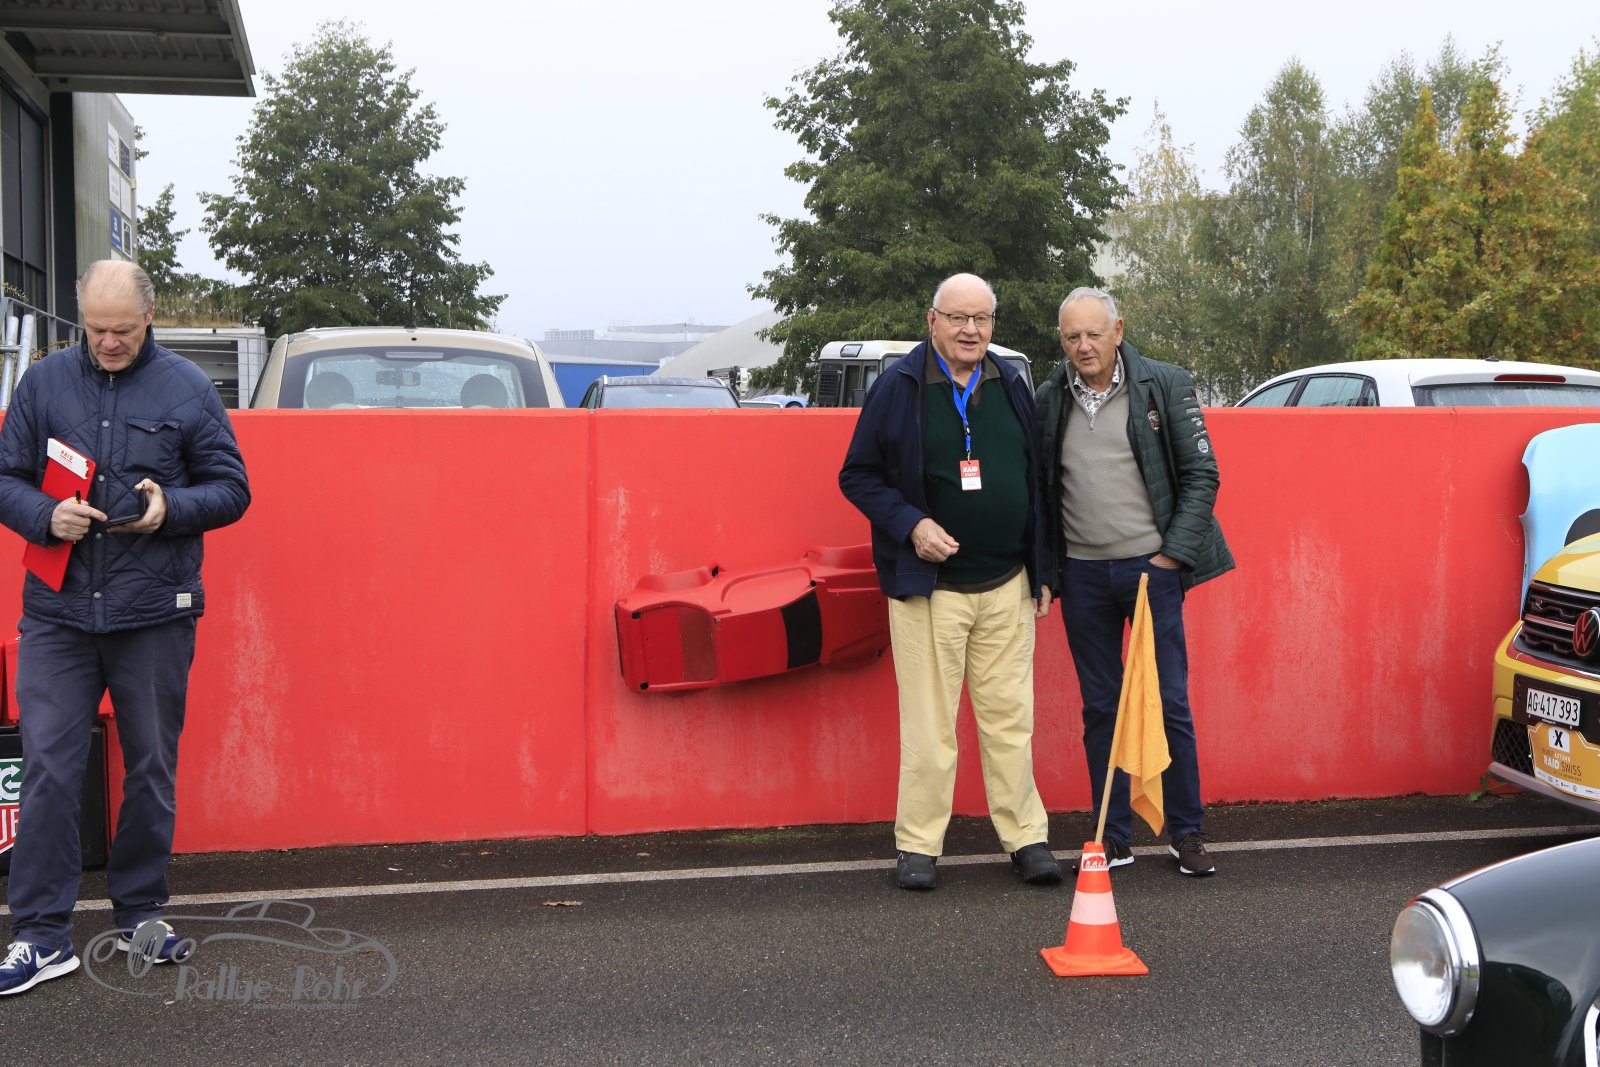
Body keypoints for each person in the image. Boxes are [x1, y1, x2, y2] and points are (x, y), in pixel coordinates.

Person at [0, 260, 251, 995]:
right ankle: (40, 936)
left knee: (150, 768)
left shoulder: (188, 387)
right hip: (58, 615)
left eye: (121, 329)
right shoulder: (43, 383)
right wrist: (45, 515)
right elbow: (6, 478)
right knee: (48, 768)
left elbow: (232, 488)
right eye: (94, 329)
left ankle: (141, 913)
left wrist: (170, 507)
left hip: (154, 615)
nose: (107, 342)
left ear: (149, 315)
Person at [840, 272, 1060, 891]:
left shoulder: (1010, 382)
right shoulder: (899, 386)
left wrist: (1043, 569)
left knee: (1010, 720)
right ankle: (918, 845)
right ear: (932, 320)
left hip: (1007, 584)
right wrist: (911, 524)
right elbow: (858, 476)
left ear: (993, 325)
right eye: (958, 318)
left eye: (981, 319)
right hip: (930, 591)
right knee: (930, 726)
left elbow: (1037, 484)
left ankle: (1026, 838)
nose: (970, 330)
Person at [1034, 286, 1233, 877]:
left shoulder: (1164, 384)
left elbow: (1202, 474)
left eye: (1094, 333)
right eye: (1072, 336)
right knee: (1101, 707)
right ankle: (1113, 835)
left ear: (1118, 331)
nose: (1084, 346)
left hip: (1152, 571)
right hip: (1083, 576)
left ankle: (1187, 831)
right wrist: (1049, 571)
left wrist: (1172, 557)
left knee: (1168, 702)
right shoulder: (1048, 397)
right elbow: (1041, 492)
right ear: (1062, 340)